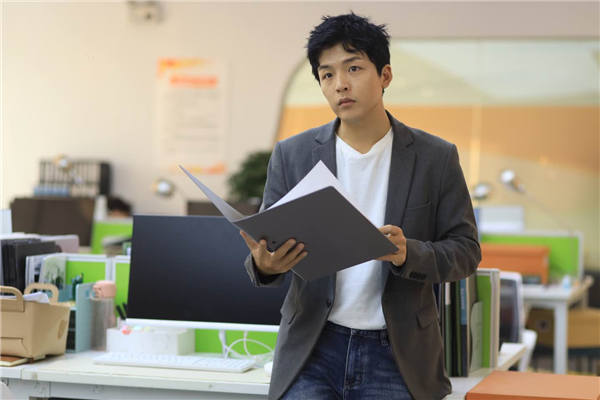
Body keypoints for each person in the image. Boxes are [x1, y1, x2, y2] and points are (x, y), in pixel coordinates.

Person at [241, 12, 481, 400]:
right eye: (327, 75)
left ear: (385, 75)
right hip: (312, 348)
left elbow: (466, 252)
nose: (341, 84)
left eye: (353, 68)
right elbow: (268, 246)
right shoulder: (292, 155)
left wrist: (408, 253)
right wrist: (265, 265)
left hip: (397, 354)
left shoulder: (435, 158)